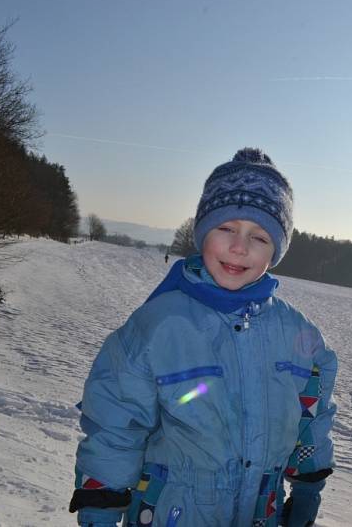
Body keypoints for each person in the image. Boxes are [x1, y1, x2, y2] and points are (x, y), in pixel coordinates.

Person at [69, 148, 337, 527]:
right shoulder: (159, 325)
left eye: (259, 237)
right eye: (226, 228)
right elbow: (115, 424)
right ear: (201, 232)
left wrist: (309, 488)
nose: (239, 247)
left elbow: (313, 413)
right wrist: (99, 509)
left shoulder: (298, 333)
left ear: (276, 250)